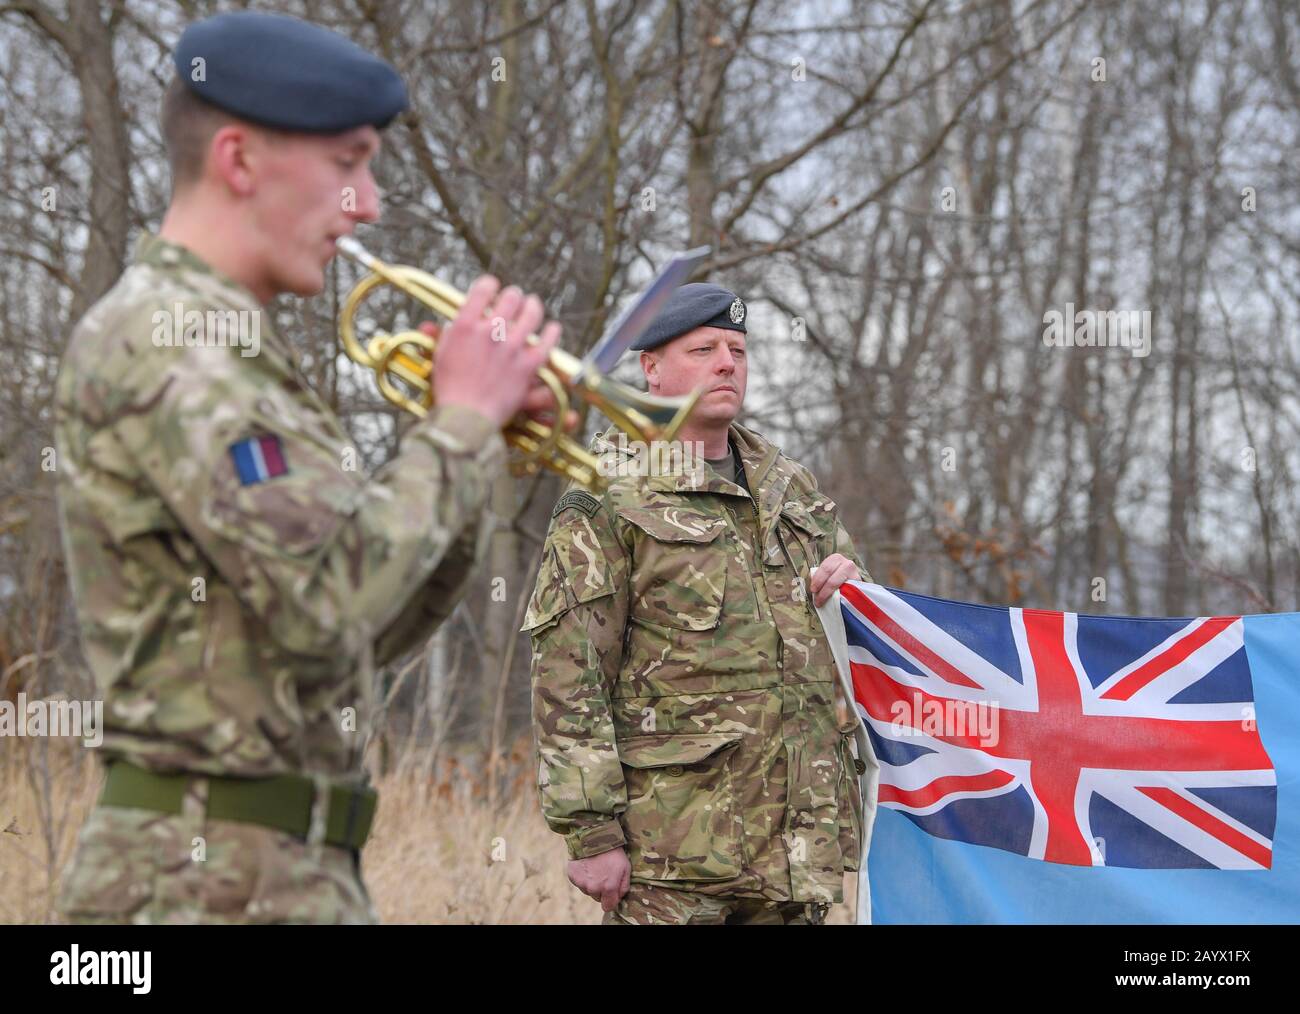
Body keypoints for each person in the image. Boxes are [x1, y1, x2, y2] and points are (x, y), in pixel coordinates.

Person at [53, 10, 560, 924]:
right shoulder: (175, 343)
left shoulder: (236, 349)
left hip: (263, 877)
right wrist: (456, 425)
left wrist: (482, 450)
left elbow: (359, 639)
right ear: (241, 162)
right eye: (346, 164)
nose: (367, 204)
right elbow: (333, 601)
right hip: (191, 886)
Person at [524, 282, 870, 925]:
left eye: (738, 350)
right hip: (675, 859)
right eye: (704, 348)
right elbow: (569, 671)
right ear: (650, 367)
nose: (726, 365)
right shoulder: (610, 491)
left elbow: (858, 636)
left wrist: (853, 586)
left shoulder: (788, 485)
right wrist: (591, 833)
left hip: (796, 853)